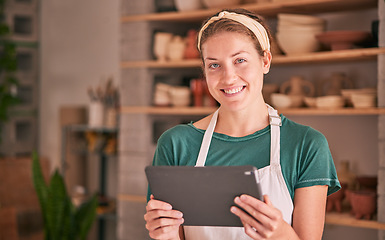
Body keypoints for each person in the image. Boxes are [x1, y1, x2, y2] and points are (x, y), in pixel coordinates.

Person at [144, 8, 340, 240]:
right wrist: (163, 234)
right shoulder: (176, 144)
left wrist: (279, 234)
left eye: (240, 60)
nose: (228, 78)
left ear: (265, 61)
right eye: (214, 65)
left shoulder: (306, 145)